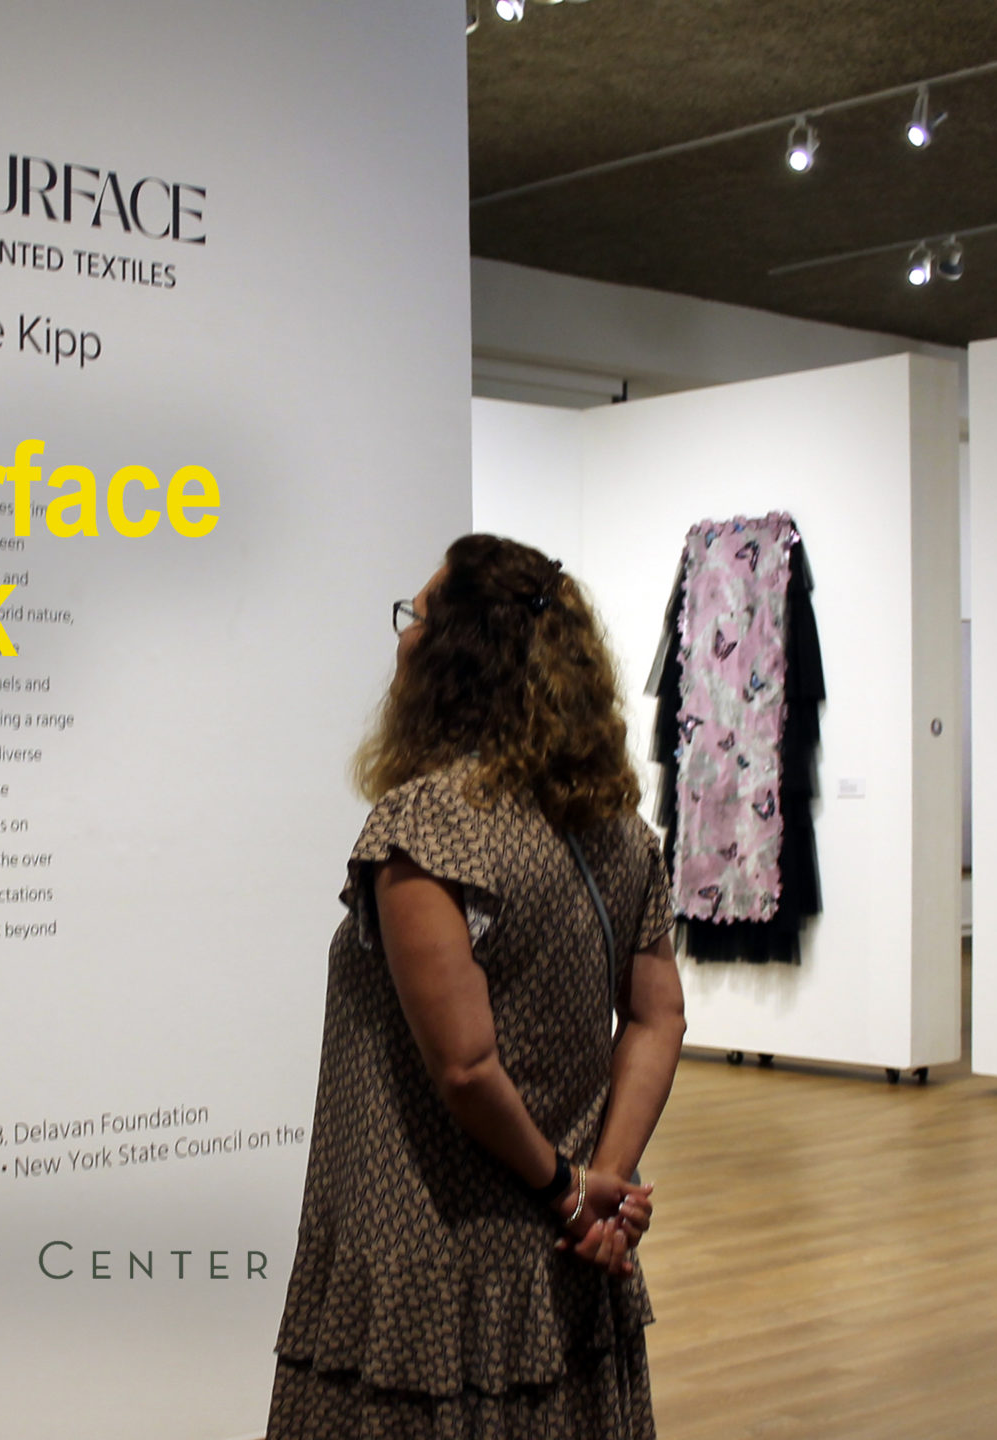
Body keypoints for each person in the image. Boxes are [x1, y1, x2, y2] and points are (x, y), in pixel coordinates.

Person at [270, 534, 688, 1439]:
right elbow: (659, 1017)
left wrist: (572, 1193)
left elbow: (463, 1067)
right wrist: (601, 1187)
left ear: (456, 655)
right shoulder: (617, 828)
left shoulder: (426, 826)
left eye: (416, 616)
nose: (404, 633)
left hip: (435, 1249)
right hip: (569, 1259)